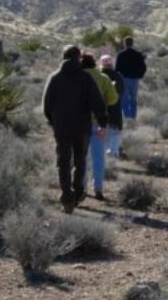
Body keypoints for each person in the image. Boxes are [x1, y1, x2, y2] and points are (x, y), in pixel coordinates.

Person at [42, 45, 108, 212]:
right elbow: (97, 101)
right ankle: (78, 191)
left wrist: (53, 121)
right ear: (78, 57)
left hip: (62, 127)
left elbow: (47, 105)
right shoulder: (85, 78)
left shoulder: (54, 78)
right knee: (80, 159)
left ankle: (66, 197)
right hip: (82, 127)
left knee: (63, 162)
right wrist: (102, 122)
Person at [79, 53, 119, 200]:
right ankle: (98, 188)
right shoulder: (103, 78)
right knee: (98, 157)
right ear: (94, 64)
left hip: (79, 124)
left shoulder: (76, 78)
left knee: (80, 156)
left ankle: (81, 186)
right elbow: (113, 99)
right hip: (99, 122)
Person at [115, 36, 147, 122]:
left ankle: (127, 117)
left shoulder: (121, 55)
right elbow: (143, 67)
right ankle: (133, 116)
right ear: (132, 43)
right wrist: (140, 75)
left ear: (124, 44)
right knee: (133, 98)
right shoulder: (138, 54)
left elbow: (117, 69)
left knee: (124, 99)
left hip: (124, 79)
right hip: (134, 79)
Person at [98, 54, 125, 159]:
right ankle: (113, 154)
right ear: (111, 64)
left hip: (100, 109)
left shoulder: (98, 76)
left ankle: (104, 156)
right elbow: (121, 91)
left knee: (101, 133)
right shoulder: (117, 76)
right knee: (114, 132)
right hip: (114, 108)